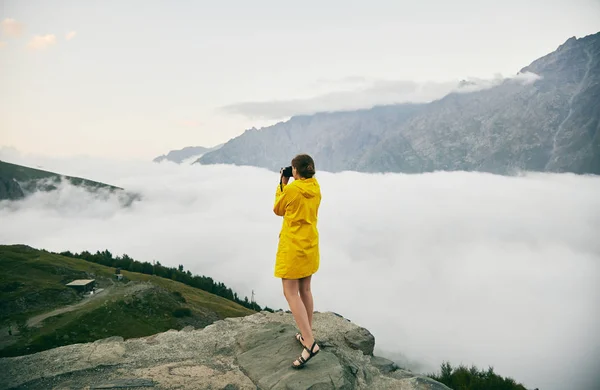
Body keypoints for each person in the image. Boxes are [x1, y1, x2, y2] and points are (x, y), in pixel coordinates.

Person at [273, 153, 322, 369]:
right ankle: (306, 334)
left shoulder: (292, 189)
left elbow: (278, 209)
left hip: (293, 247)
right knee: (306, 290)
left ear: (296, 171)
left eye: (293, 170)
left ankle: (310, 343)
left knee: (290, 292)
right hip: (310, 245)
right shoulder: (316, 186)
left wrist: (282, 184)